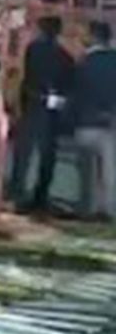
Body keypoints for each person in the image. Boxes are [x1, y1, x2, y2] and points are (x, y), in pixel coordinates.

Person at [7, 16, 74, 213]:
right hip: (52, 108)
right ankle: (40, 196)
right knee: (47, 155)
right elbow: (68, 83)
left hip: (33, 103)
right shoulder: (65, 56)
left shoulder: (34, 49)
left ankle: (17, 192)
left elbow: (27, 77)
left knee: (24, 153)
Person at [72, 22, 116, 220]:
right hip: (111, 121)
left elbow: (75, 93)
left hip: (86, 120)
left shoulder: (83, 63)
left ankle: (87, 208)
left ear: (94, 37)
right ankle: (107, 208)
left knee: (86, 171)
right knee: (109, 171)